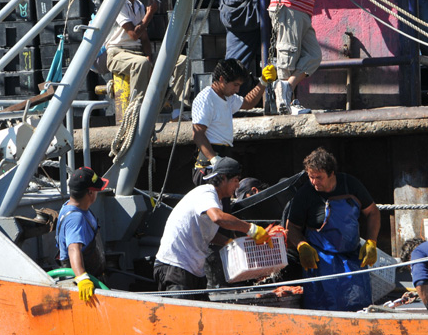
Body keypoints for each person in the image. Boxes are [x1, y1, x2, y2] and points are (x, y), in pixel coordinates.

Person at [153, 157, 271, 297]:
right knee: (181, 316)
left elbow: (207, 234)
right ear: (223, 178)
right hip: (175, 268)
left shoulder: (216, 201)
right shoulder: (206, 193)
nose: (238, 185)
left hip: (194, 271)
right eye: (235, 180)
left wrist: (229, 243)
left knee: (202, 316)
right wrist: (251, 229)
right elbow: (218, 217)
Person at [286, 147, 381, 311]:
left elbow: (372, 212)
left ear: (331, 174)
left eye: (319, 177)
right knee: (323, 309)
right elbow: (291, 227)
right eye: (311, 177)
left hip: (352, 257)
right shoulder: (305, 194)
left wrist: (372, 241)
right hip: (321, 261)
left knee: (358, 307)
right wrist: (302, 246)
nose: (315, 182)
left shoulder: (350, 185)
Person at [104, 0, 187, 116]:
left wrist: (149, 57)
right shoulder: (119, 4)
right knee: (141, 64)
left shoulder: (139, 6)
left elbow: (144, 38)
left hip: (137, 52)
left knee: (181, 61)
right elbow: (134, 34)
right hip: (117, 52)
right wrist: (149, 14)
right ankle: (137, 112)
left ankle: (177, 109)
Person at [191, 58, 275, 185]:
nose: (237, 90)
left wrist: (262, 82)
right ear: (221, 79)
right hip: (209, 166)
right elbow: (198, 134)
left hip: (224, 158)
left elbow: (248, 102)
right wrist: (214, 160)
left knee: (225, 203)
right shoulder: (206, 98)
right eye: (235, 85)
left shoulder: (227, 97)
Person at [55, 167, 110, 302]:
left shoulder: (72, 207)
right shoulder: (76, 218)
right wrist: (82, 277)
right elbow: (73, 248)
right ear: (90, 193)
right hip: (85, 288)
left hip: (96, 276)